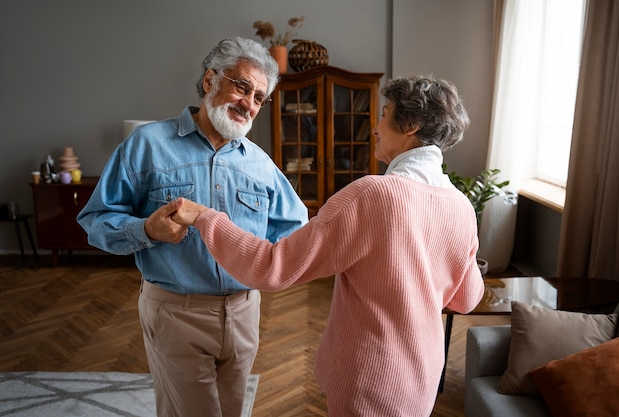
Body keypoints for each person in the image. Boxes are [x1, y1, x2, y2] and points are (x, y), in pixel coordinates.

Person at [167, 75, 486, 416]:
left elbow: (272, 268)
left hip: (370, 379)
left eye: (385, 112)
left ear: (410, 125)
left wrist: (205, 217)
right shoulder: (461, 205)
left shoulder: (372, 195)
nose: (376, 127)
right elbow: (466, 299)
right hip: (423, 374)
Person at [77, 37, 309, 417]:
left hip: (244, 312)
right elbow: (96, 221)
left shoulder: (261, 164)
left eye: (259, 98)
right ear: (209, 81)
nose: (249, 103)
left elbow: (296, 231)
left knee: (232, 411)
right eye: (242, 86)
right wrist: (146, 230)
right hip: (176, 313)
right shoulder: (147, 145)